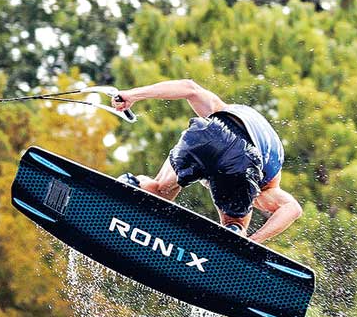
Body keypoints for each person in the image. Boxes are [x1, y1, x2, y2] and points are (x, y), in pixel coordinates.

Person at [111, 81, 301, 245]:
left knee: (161, 188)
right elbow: (292, 208)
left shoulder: (223, 107)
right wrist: (251, 242)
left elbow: (189, 88)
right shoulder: (267, 187)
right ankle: (234, 236)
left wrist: (132, 95)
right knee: (234, 224)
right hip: (243, 157)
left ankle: (130, 185)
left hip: (208, 131)